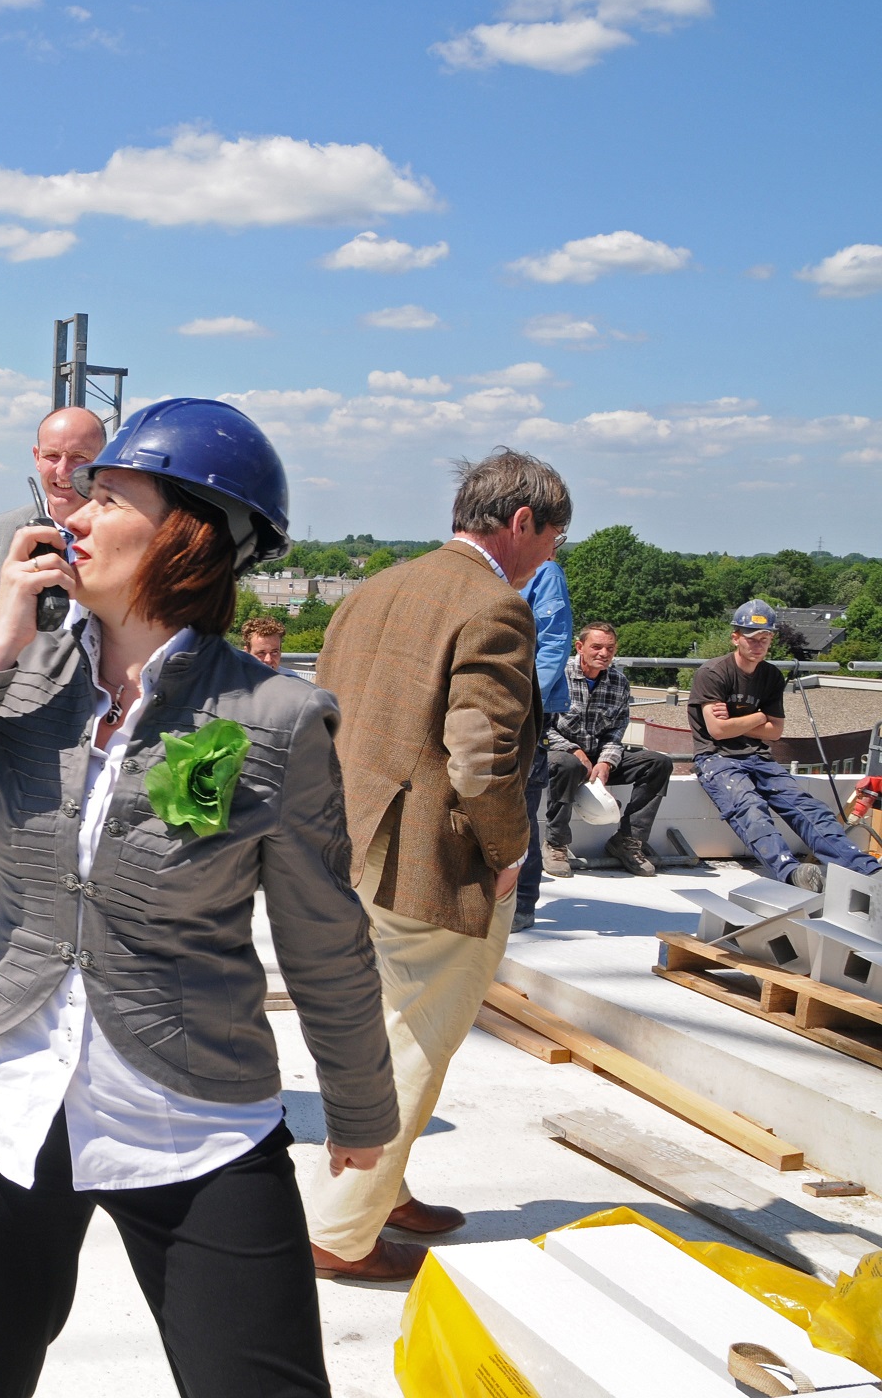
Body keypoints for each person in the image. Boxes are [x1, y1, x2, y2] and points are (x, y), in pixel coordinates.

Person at [0, 398, 394, 1397]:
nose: (71, 508)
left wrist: (359, 1101)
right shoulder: (12, 680)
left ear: (184, 538)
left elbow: (322, 931)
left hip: (190, 1115)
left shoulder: (273, 718)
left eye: (106, 495)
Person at [303, 448, 564, 1283]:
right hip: (427, 859)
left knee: (380, 1027)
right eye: (553, 538)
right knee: (416, 1037)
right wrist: (510, 849)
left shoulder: (375, 586)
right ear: (520, 523)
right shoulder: (496, 606)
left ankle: (386, 1188)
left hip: (351, 844)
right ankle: (343, 1234)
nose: (552, 557)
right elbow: (481, 758)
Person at [691, 601, 881, 892]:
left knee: (807, 808)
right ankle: (791, 872)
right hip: (717, 759)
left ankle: (866, 870)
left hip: (759, 757)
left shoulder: (770, 676)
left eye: (764, 639)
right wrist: (758, 716)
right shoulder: (714, 673)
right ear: (735, 637)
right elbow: (718, 731)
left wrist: (738, 721)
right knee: (749, 806)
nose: (758, 645)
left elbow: (775, 732)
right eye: (752, 638)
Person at [0, 406, 107, 644]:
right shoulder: (4, 530)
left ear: (101, 462)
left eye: (79, 457)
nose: (63, 470)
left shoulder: (124, 534)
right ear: (36, 458)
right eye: (52, 456)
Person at [544, 622, 672, 878]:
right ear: (580, 647)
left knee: (659, 763)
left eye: (610, 648)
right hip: (559, 756)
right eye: (596, 647)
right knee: (567, 765)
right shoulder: (556, 676)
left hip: (597, 758)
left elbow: (616, 730)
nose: (603, 653)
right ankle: (556, 843)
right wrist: (572, 750)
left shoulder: (619, 683)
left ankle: (627, 840)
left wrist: (607, 762)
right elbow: (541, 728)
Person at [512, 555, 574, 929]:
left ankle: (521, 904)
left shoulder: (545, 572)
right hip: (500, 706)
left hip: (525, 710)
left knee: (520, 808)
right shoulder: (500, 571)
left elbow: (554, 642)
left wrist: (525, 702)